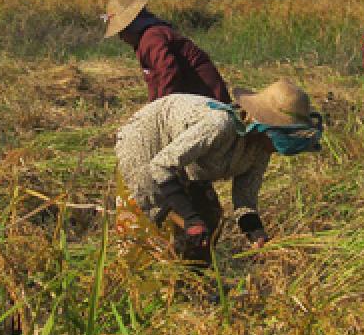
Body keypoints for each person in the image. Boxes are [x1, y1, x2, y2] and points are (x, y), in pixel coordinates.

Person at [115, 79, 323, 265]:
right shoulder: (218, 126)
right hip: (148, 145)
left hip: (187, 162)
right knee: (145, 224)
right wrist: (189, 218)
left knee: (209, 219)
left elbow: (245, 200)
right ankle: (142, 285)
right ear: (265, 124)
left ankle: (193, 283)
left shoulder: (262, 147)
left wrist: (256, 234)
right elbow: (161, 165)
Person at [102, 0, 231, 104]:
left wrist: (162, 108)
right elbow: (155, 81)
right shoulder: (145, 40)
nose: (121, 37)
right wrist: (152, 108)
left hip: (205, 93)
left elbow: (168, 72)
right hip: (190, 93)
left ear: (131, 27)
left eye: (121, 32)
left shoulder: (151, 38)